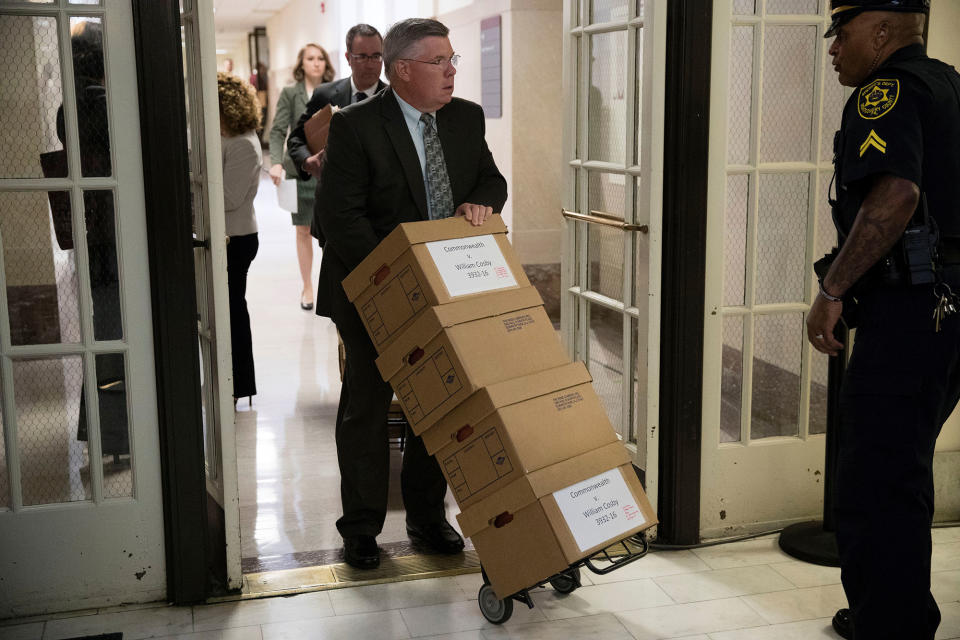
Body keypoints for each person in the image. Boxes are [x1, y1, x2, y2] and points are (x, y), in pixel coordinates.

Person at [317, 18, 507, 570]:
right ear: (402, 70)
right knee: (367, 411)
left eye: (453, 61)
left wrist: (479, 203)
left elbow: (491, 181)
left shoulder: (467, 118)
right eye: (438, 62)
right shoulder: (354, 127)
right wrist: (399, 280)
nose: (451, 71)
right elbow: (340, 218)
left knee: (440, 404)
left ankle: (428, 520)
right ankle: (360, 530)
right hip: (372, 293)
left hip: (448, 287)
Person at [808, 2, 960, 638]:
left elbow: (895, 197)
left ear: (879, 29)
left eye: (840, 33)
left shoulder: (888, 91)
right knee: (902, 470)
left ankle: (889, 626)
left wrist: (833, 288)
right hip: (945, 312)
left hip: (908, 313)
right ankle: (895, 612)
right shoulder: (948, 82)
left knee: (874, 484)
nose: (834, 48)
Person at [285, 23, 388, 249]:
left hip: (379, 214)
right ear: (348, 57)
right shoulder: (326, 94)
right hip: (334, 210)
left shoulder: (393, 100)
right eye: (362, 57)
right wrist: (306, 160)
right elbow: (296, 137)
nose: (371, 64)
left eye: (376, 56)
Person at [268, 43, 335, 310]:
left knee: (331, 231)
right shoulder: (289, 93)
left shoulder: (334, 90)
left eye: (320, 58)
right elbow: (277, 131)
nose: (316, 63)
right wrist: (275, 163)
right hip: (300, 171)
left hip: (330, 170)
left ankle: (331, 286)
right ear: (302, 63)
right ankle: (307, 286)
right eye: (310, 58)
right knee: (304, 229)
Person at [217, 72, 263, 405]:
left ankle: (239, 385)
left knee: (233, 311)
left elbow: (228, 198)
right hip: (229, 235)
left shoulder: (244, 143)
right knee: (228, 310)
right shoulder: (227, 138)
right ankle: (231, 384)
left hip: (238, 238)